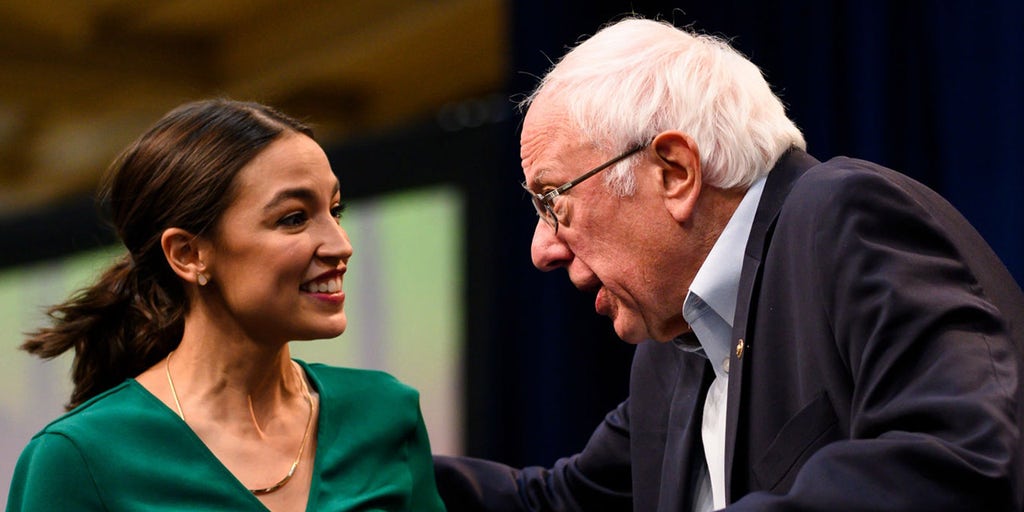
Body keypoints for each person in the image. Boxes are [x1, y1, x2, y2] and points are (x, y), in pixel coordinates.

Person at [433, 16, 1024, 511]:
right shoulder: (669, 357)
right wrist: (353, 440)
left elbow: (963, 454)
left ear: (675, 172)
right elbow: (555, 503)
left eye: (552, 200)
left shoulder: (840, 217)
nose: (542, 249)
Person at [6, 99, 446, 511]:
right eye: (293, 218)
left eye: (336, 210)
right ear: (187, 254)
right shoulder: (77, 457)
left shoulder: (385, 412)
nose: (340, 244)